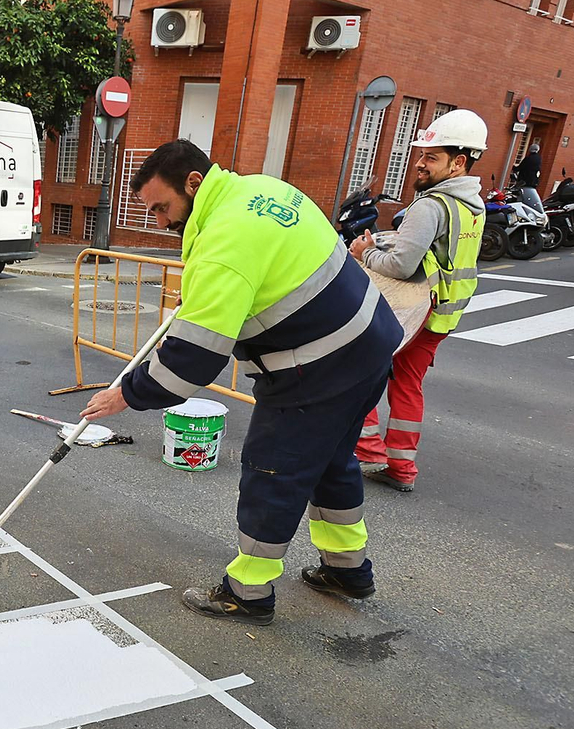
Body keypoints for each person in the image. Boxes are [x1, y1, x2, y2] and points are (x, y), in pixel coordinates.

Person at [82, 140, 401, 626]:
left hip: (318, 363)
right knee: (330, 459)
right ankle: (348, 570)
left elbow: (191, 362)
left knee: (273, 470)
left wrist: (125, 394)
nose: (161, 222)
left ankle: (248, 592)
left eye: (162, 207)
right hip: (370, 340)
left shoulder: (224, 241)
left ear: (194, 183)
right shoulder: (259, 190)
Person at [351, 109, 487, 493]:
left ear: (458, 162)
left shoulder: (431, 205)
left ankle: (368, 449)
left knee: (356, 367)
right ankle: (401, 468)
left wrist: (365, 253)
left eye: (431, 157)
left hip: (415, 312)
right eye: (421, 154)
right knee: (407, 385)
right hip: (443, 313)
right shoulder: (472, 205)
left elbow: (401, 263)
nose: (420, 163)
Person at [513, 140, 543, 213]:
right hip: (534, 181)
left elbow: (521, 167)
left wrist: (514, 168)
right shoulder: (538, 158)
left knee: (521, 195)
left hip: (524, 181)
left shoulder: (528, 158)